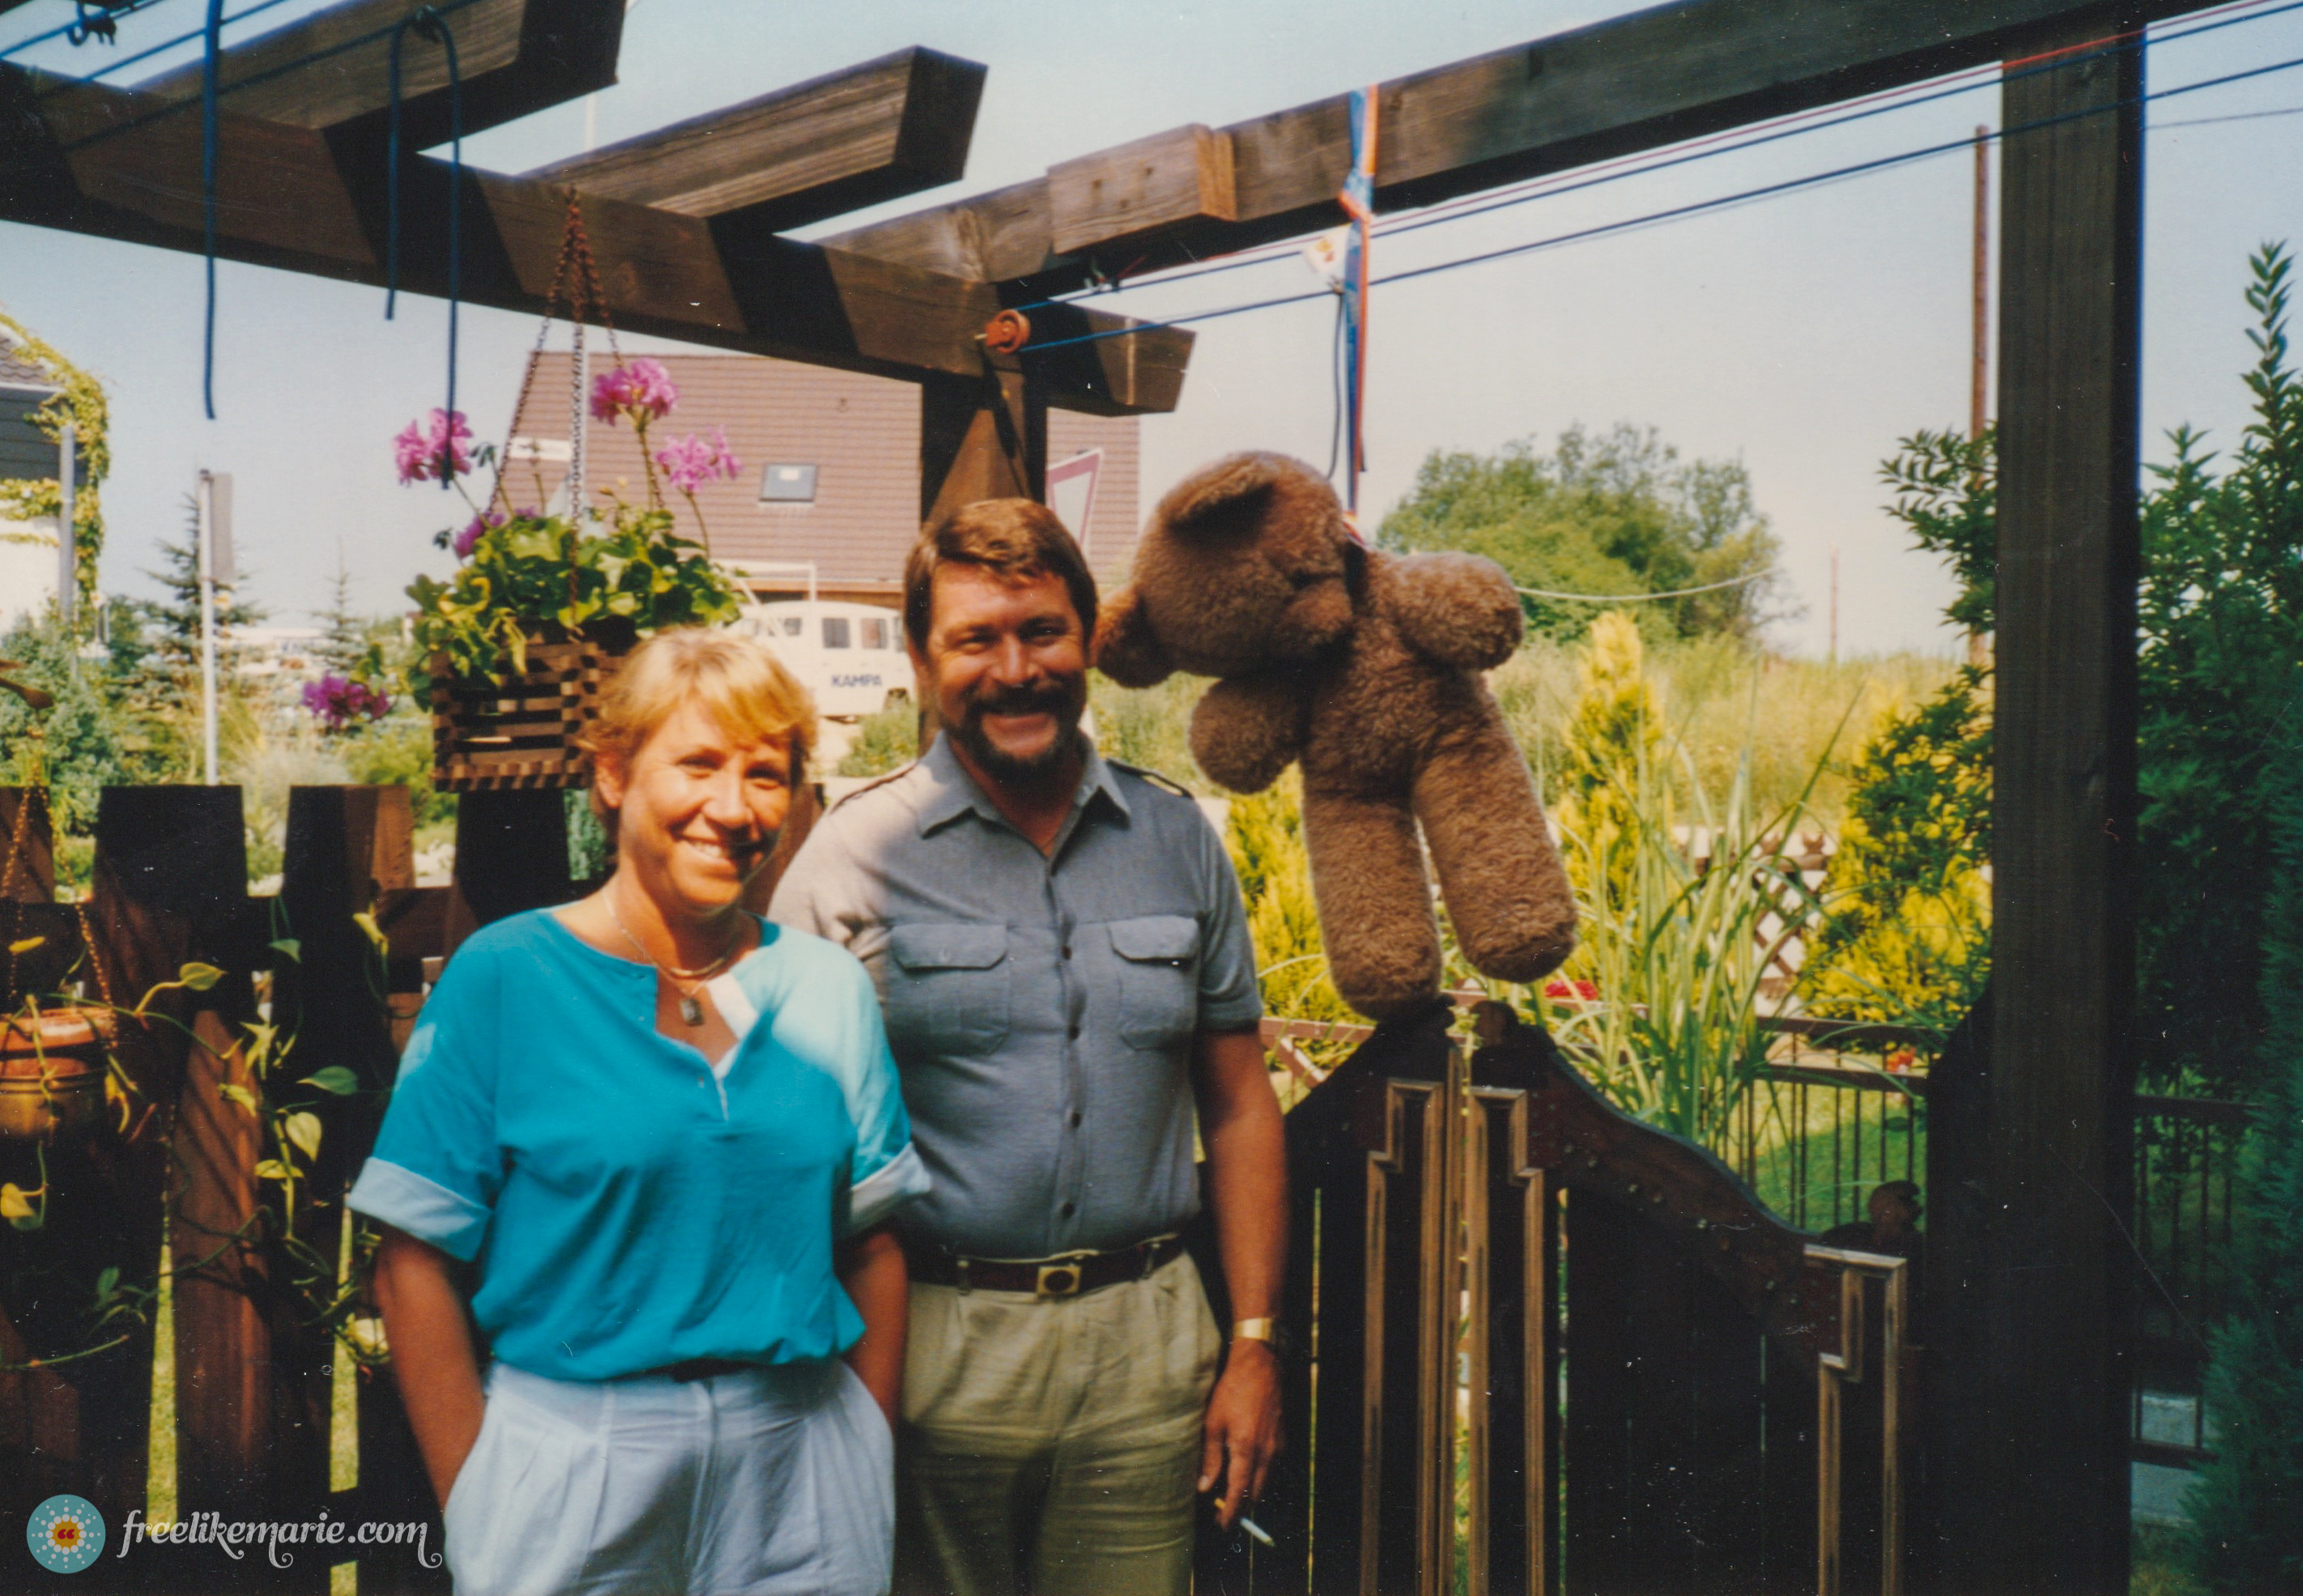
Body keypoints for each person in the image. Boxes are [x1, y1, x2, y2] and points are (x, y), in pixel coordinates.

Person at [771, 499, 1288, 1596]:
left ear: (1088, 638)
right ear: (921, 660)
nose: (1016, 668)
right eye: (975, 639)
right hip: (925, 1344)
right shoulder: (851, 854)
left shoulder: (1177, 838)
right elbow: (775, 1135)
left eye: (1043, 631)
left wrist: (1251, 1338)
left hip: (1146, 1353)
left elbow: (1240, 1101)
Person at [347, 628, 929, 1596]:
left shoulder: (826, 987)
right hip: (579, 1456)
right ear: (613, 775)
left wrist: (861, 1446)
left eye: (767, 775)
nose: (734, 809)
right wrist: (480, 1497)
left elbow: (870, 1246)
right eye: (698, 764)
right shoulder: (507, 977)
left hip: (798, 1458)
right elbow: (413, 1263)